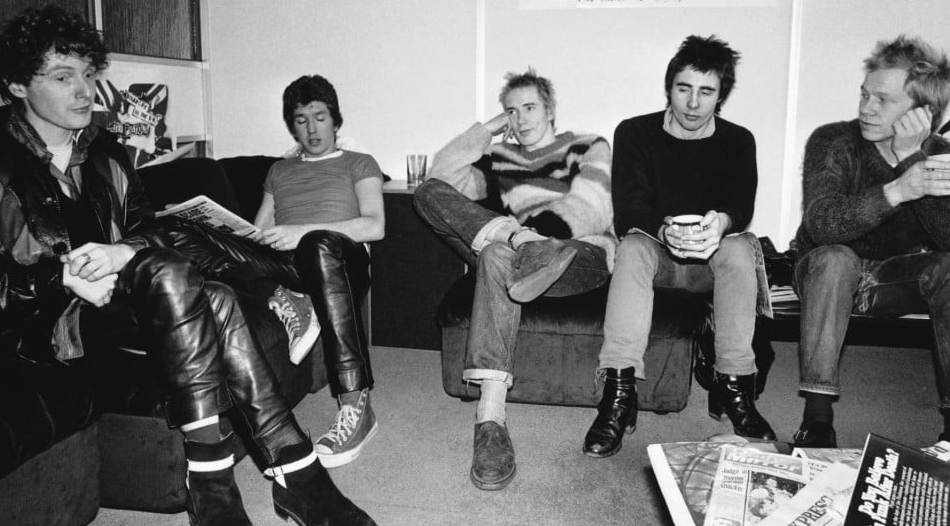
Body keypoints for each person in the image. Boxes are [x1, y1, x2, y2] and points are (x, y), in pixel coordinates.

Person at [0, 5, 378, 526]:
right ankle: (291, 471)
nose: (84, 91)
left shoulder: (105, 150)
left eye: (88, 74)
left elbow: (149, 228)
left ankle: (216, 479)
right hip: (46, 325)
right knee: (209, 294)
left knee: (198, 284)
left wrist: (124, 251)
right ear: (19, 84)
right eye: (62, 76)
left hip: (130, 300)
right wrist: (59, 278)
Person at [168, 74, 385, 469]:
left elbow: (374, 226)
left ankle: (357, 405)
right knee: (188, 236)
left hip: (338, 261)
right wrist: (214, 231)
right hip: (286, 266)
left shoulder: (359, 163)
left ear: (336, 120)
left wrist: (301, 232)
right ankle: (293, 300)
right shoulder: (279, 171)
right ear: (292, 126)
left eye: (320, 117)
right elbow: (257, 231)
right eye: (301, 120)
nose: (312, 129)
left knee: (317, 243)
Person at [413, 68, 615, 491]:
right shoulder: (501, 159)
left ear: (550, 109)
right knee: (428, 196)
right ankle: (491, 420)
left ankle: (520, 243)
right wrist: (486, 131)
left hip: (579, 255)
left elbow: (592, 208)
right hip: (519, 257)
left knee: (498, 253)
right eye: (511, 111)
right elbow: (441, 177)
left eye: (529, 108)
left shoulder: (589, 145)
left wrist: (542, 238)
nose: (520, 119)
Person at [792, 35, 950, 449]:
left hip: (893, 279)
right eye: (865, 94)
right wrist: (897, 191)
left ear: (922, 113)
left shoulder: (948, 156)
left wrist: (911, 158)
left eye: (883, 100)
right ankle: (817, 421)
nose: (867, 107)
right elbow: (822, 225)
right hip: (826, 269)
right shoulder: (833, 141)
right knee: (836, 258)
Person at [584, 35, 776, 459]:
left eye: (706, 92)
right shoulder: (635, 132)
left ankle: (735, 389)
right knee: (632, 247)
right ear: (668, 88)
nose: (693, 103)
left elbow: (740, 205)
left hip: (711, 261)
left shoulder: (738, 140)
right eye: (683, 89)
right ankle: (618, 394)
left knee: (740, 248)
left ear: (721, 95)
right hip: (658, 254)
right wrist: (663, 230)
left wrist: (721, 223)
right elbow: (629, 210)